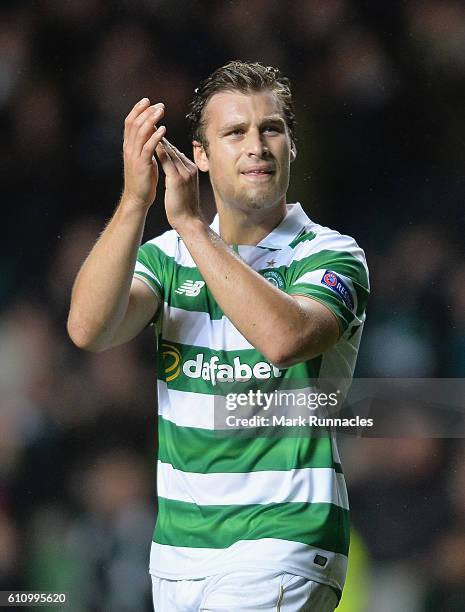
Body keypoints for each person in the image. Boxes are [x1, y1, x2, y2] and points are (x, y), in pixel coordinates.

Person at [67, 60, 369, 611]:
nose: (257, 145)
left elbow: (283, 338)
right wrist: (137, 201)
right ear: (200, 155)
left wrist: (191, 227)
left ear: (291, 147)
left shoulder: (330, 254)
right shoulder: (166, 259)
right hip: (180, 555)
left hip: (284, 541)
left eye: (271, 129)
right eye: (235, 132)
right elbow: (89, 328)